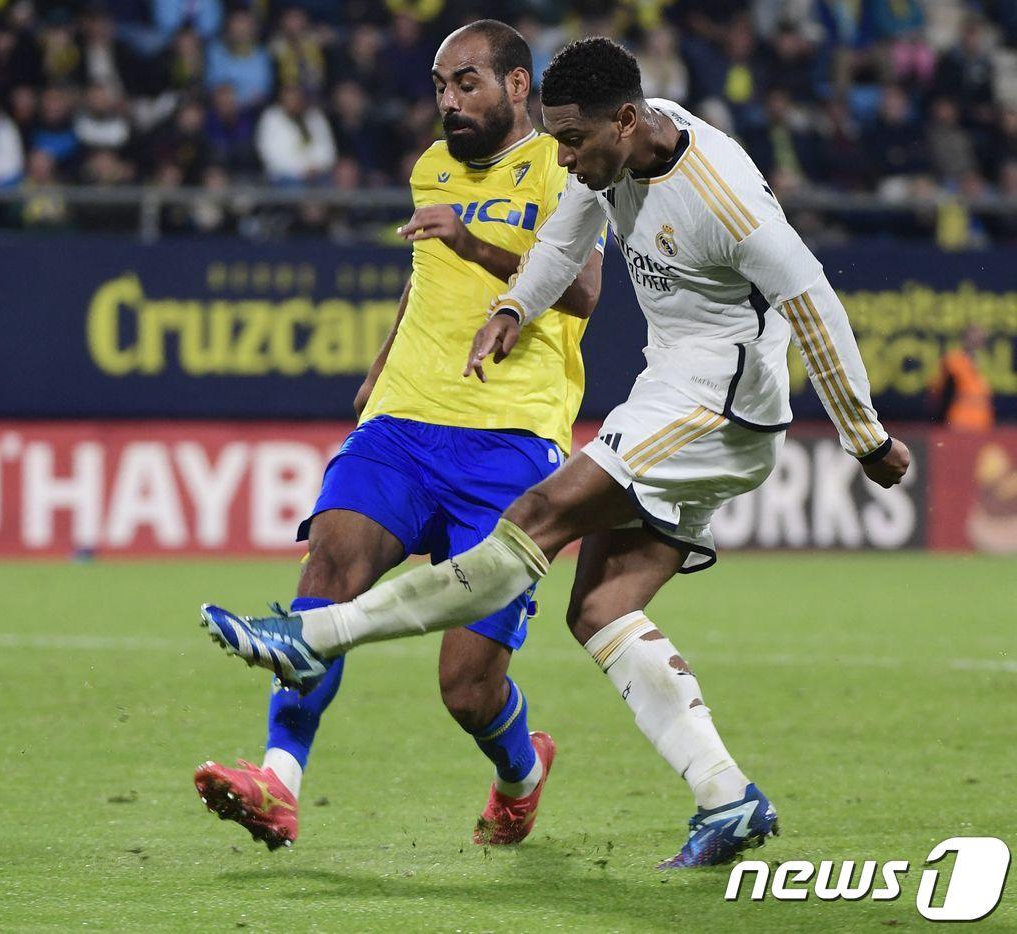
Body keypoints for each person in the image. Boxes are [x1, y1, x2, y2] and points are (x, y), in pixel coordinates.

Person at [200, 37, 911, 869]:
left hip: (718, 403)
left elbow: (813, 302)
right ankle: (729, 798)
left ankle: (317, 637)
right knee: (599, 609)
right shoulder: (602, 163)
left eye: (573, 141)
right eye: (555, 138)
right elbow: (561, 247)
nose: (562, 157)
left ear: (627, 118)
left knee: (534, 521)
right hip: (671, 387)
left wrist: (864, 437)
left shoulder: (726, 196)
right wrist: (510, 308)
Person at [193, 20, 604, 852]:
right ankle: (279, 781)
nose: (448, 101)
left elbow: (584, 296)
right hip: (406, 421)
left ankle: (520, 778)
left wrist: (471, 239)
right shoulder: (431, 165)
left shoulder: (567, 166)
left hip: (513, 439)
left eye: (467, 84)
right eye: (440, 85)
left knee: (466, 688)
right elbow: (429, 280)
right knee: (330, 565)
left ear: (518, 86)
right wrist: (385, 359)